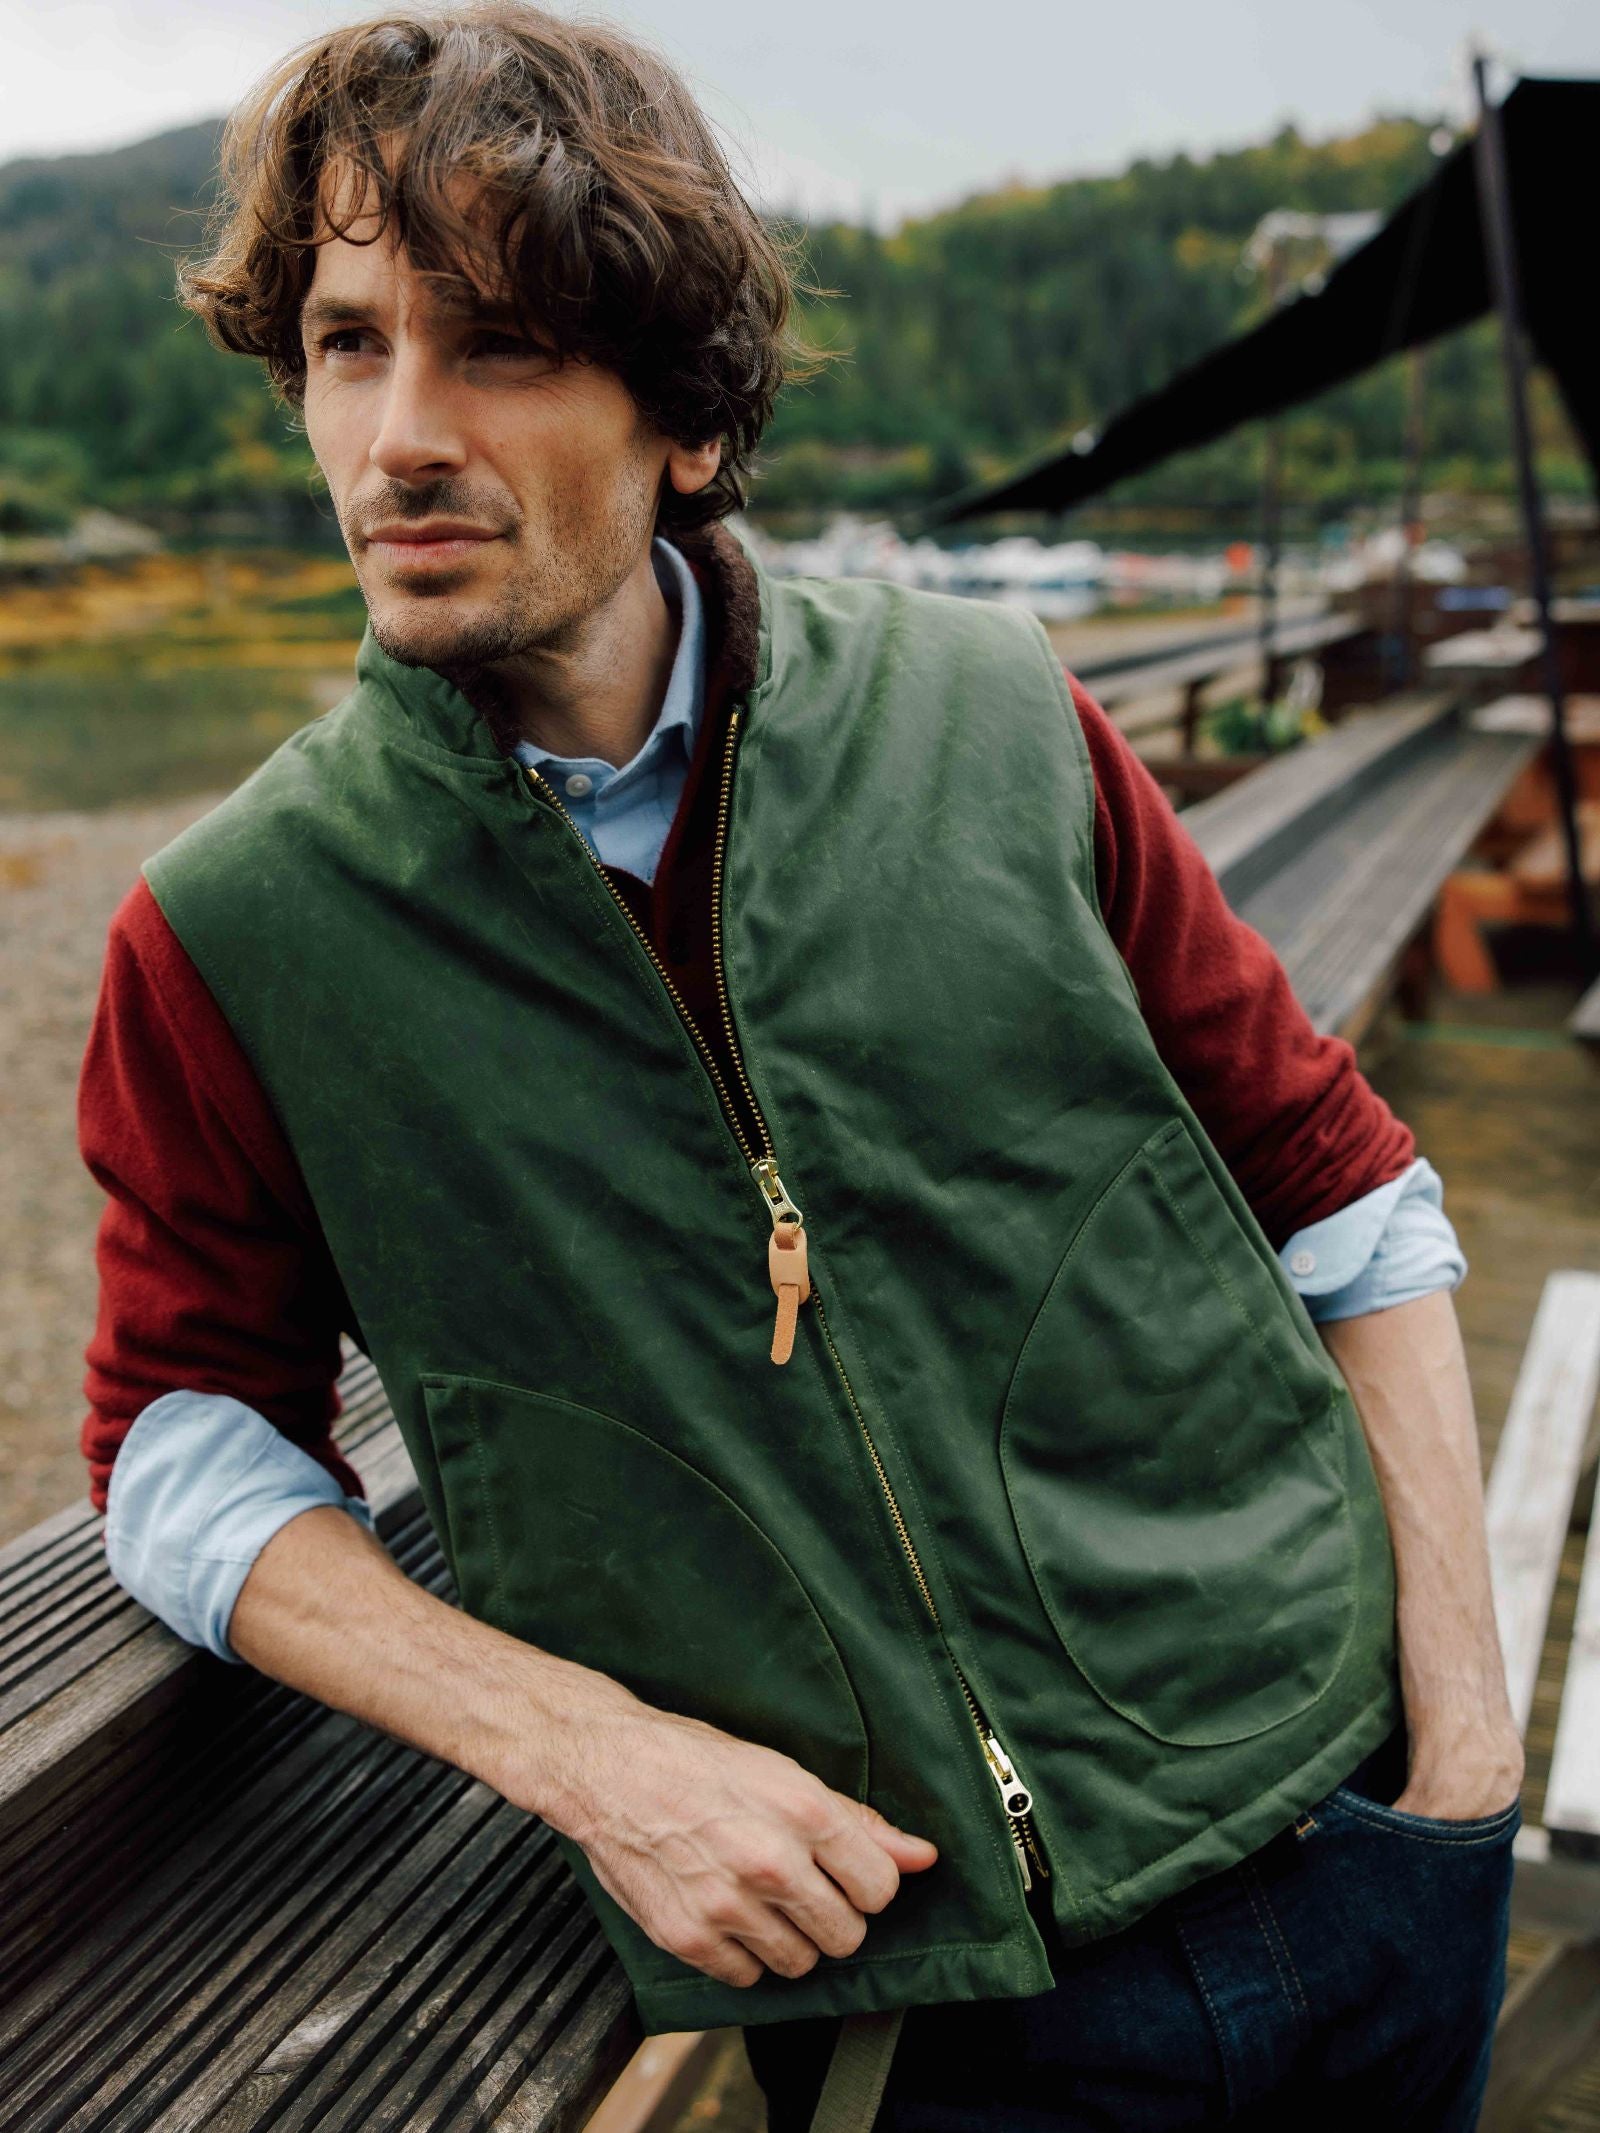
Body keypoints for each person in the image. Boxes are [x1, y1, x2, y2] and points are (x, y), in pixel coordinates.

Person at [77, 7, 1524, 2128]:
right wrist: (589, 1753)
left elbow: (1344, 1189)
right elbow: (181, 1441)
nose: (397, 436)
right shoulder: (233, 932)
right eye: (347, 343)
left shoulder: (994, 709)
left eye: (498, 346)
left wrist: (1467, 1754)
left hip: (1356, 1820)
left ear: (682, 413)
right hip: (913, 1997)